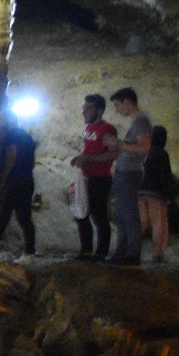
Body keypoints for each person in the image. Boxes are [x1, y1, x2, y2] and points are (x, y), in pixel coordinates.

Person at [108, 87, 152, 265]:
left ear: (127, 102)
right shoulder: (138, 121)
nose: (117, 110)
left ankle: (132, 254)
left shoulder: (141, 121)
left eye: (118, 105)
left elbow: (144, 148)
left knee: (128, 214)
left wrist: (119, 143)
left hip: (129, 172)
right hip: (125, 171)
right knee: (122, 214)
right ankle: (122, 253)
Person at [70, 93, 118, 260]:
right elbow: (90, 150)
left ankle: (101, 252)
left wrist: (88, 159)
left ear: (99, 110)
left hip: (100, 178)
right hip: (86, 177)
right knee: (81, 212)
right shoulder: (89, 129)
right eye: (83, 108)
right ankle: (86, 250)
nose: (84, 112)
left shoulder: (107, 129)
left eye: (88, 109)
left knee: (99, 215)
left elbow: (113, 154)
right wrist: (80, 158)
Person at [0, 118, 37, 260]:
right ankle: (29, 253)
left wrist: (3, 179)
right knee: (24, 218)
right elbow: (32, 162)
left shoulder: (11, 135)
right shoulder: (27, 136)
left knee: (1, 217)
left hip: (13, 182)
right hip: (26, 181)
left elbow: (11, 155)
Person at [140, 124, 174, 263]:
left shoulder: (146, 152)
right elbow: (166, 176)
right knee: (159, 223)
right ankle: (158, 254)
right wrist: (171, 195)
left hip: (141, 191)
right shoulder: (162, 154)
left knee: (142, 222)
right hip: (156, 193)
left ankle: (130, 248)